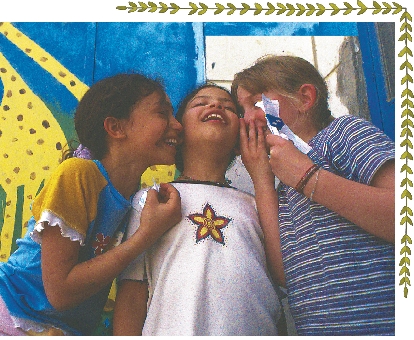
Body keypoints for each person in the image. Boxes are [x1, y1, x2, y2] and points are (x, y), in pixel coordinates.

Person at [0, 73, 183, 336]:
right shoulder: (78, 174)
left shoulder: (138, 198)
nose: (177, 125)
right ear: (116, 128)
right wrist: (146, 235)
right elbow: (60, 292)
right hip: (13, 314)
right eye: (162, 113)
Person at [231, 55, 395, 336]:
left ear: (305, 98)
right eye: (242, 109)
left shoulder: (343, 133)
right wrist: (262, 178)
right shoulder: (283, 184)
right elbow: (284, 275)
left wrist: (307, 177)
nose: (247, 119)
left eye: (258, 103)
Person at [113, 84, 283, 336]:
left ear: (239, 141)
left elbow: (277, 287)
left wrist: (261, 174)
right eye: (201, 103)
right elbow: (132, 297)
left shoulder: (259, 205)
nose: (215, 106)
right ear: (178, 133)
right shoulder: (152, 199)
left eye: (227, 107)